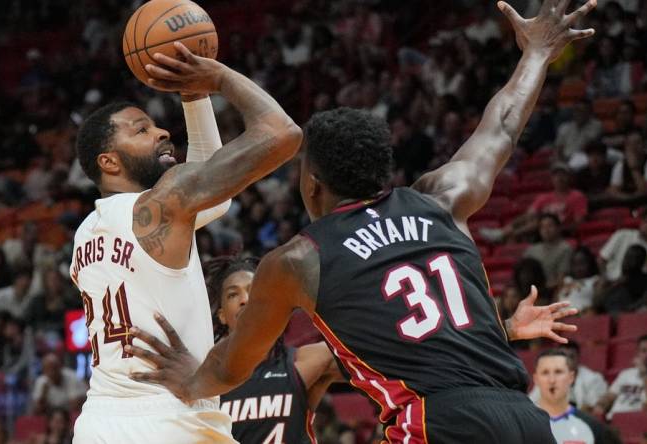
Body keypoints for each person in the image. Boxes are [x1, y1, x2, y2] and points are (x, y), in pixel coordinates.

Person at [127, 2, 596, 442]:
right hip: (525, 420)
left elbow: (230, 366)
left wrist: (186, 382)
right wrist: (536, 53)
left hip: (436, 422)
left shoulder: (298, 259)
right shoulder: (441, 200)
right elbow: (504, 126)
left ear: (312, 184)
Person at [69, 39, 303, 443]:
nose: (161, 130)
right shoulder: (161, 207)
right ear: (109, 161)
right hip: (166, 417)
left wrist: (193, 97)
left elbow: (214, 197)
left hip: (99, 422)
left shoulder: (88, 230)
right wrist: (217, 77)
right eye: (141, 130)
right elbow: (283, 133)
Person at [202, 256, 343, 442]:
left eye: (253, 291)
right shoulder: (206, 384)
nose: (245, 299)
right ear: (221, 316)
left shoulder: (301, 364)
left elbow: (376, 356)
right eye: (233, 294)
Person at [532, 349, 619, 444]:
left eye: (558, 372)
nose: (552, 380)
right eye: (545, 372)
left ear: (571, 377)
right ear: (536, 379)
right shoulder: (520, 425)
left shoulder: (593, 428)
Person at [593, 335, 647, 420]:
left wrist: (644, 372)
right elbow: (611, 395)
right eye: (644, 351)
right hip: (613, 419)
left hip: (639, 421)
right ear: (638, 353)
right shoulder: (626, 374)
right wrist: (601, 404)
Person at [529, 341, 608, 413]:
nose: (567, 361)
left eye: (571, 357)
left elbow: (594, 409)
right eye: (563, 357)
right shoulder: (547, 379)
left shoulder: (593, 379)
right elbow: (531, 404)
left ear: (578, 357)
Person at [598, 208, 647, 282]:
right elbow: (602, 259)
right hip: (611, 280)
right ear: (640, 223)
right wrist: (604, 278)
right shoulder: (622, 234)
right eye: (646, 222)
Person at [523, 213, 574, 289]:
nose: (546, 230)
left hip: (553, 291)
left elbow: (562, 279)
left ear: (558, 228)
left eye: (550, 226)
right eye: (542, 227)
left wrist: (542, 289)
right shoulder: (531, 249)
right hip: (531, 290)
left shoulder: (565, 249)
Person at [555, 247, 600, 312]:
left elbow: (597, 304)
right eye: (575, 264)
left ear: (590, 263)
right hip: (561, 317)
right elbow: (554, 302)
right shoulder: (565, 280)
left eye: (582, 263)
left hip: (583, 316)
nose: (578, 268)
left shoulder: (595, 280)